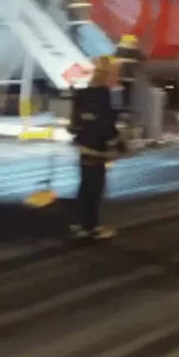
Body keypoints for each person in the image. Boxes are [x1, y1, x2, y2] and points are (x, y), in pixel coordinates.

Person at [66, 56, 122, 241]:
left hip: (84, 147)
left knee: (85, 186)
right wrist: (117, 143)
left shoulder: (83, 94)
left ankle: (80, 223)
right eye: (114, 73)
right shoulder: (104, 95)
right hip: (97, 148)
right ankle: (91, 227)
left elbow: (73, 125)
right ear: (107, 74)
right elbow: (106, 125)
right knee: (95, 188)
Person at [113, 34, 146, 146]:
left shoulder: (117, 51)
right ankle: (126, 118)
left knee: (119, 100)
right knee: (127, 99)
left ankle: (121, 119)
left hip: (118, 80)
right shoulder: (134, 52)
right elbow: (143, 59)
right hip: (129, 80)